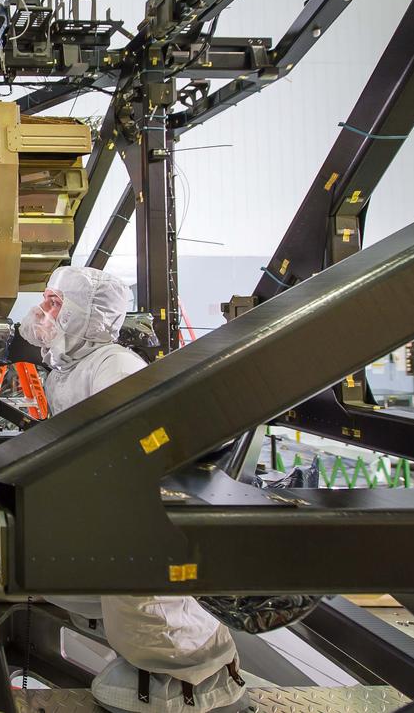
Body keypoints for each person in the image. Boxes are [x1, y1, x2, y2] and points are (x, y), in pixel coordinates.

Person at [17, 266, 245, 713]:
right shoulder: (68, 366)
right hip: (100, 498)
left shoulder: (113, 365)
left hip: (130, 507)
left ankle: (192, 681)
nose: (43, 311)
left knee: (144, 602)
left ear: (87, 314)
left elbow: (133, 443)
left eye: (56, 303)